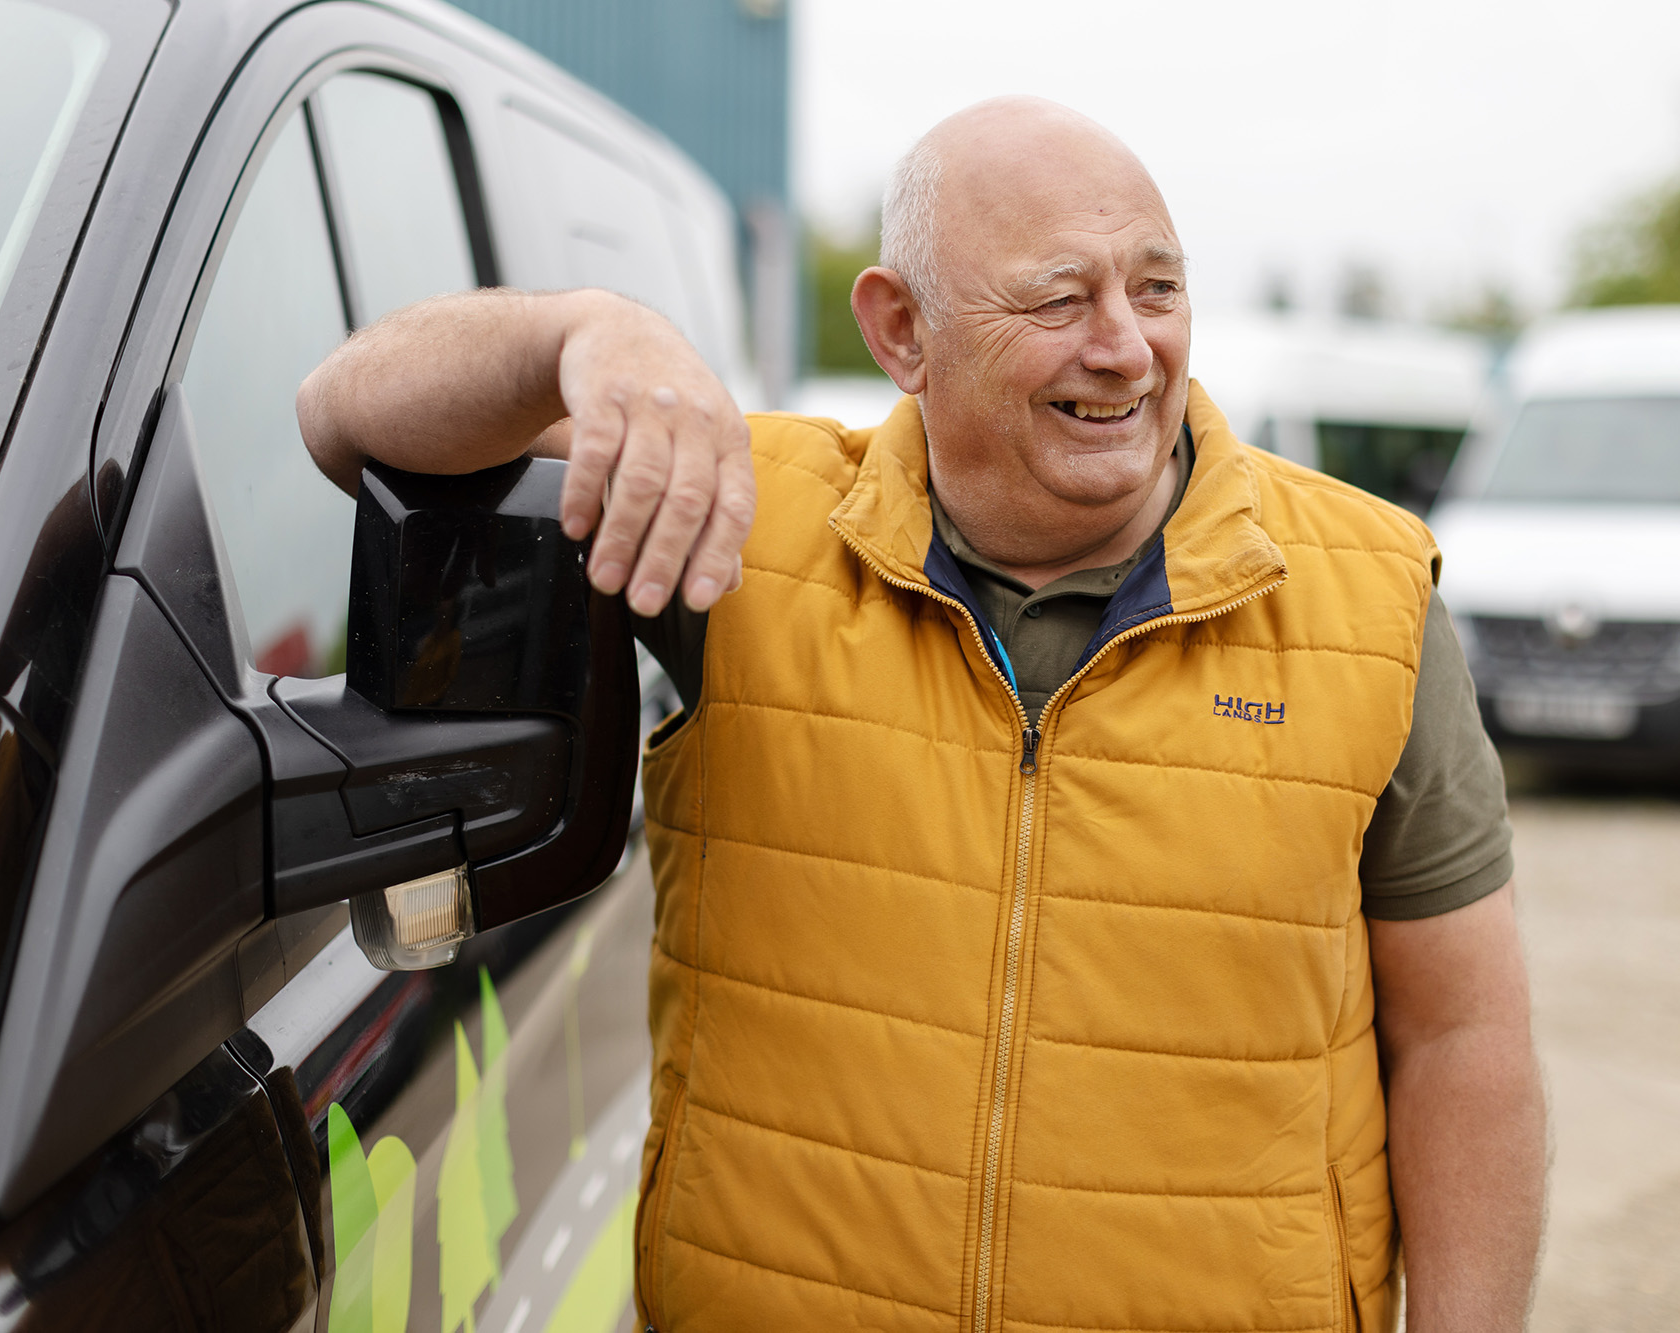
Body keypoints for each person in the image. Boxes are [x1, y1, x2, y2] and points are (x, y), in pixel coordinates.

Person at [300, 96, 1546, 1333]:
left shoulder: (1365, 591)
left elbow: (1462, 1038)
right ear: (903, 332)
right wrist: (577, 335)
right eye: (1057, 299)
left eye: (1156, 290)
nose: (1124, 347)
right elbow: (345, 418)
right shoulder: (740, 524)